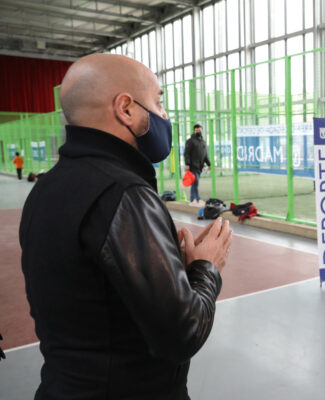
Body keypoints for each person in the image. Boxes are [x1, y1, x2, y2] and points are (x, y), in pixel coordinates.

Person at [19, 53, 233, 399]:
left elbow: (90, 290)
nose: (164, 115)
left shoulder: (46, 188)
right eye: (158, 102)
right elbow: (182, 335)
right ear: (126, 109)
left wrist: (166, 267)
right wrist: (206, 267)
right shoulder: (125, 193)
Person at [184, 123, 211, 206]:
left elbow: (205, 155)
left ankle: (194, 200)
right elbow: (186, 153)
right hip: (192, 166)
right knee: (195, 182)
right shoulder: (190, 141)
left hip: (200, 167)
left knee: (195, 183)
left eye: (199, 130)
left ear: (202, 130)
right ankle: (196, 199)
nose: (198, 131)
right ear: (194, 131)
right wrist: (187, 164)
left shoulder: (203, 142)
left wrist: (209, 164)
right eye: (196, 130)